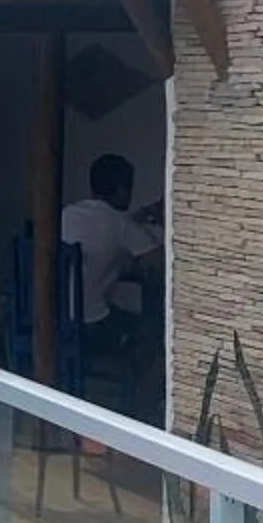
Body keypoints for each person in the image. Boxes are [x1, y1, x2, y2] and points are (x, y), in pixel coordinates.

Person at [62, 152, 162, 405]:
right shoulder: (120, 225)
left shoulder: (67, 214)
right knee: (152, 327)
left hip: (57, 317)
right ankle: (140, 398)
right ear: (121, 189)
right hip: (91, 324)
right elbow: (157, 261)